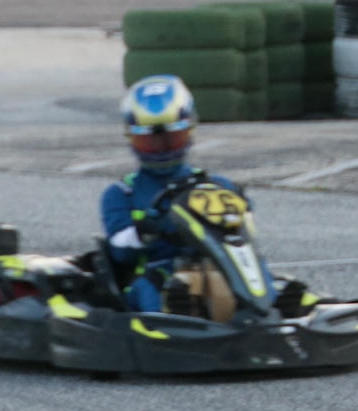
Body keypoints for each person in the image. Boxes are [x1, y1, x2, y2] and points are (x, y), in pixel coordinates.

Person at [103, 76, 250, 313]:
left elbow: (243, 235)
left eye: (171, 139)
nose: (161, 149)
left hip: (217, 270)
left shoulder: (215, 186)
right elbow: (119, 250)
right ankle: (166, 327)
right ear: (132, 138)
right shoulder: (122, 193)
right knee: (160, 290)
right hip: (155, 273)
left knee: (258, 282)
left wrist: (240, 208)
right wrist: (148, 228)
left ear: (189, 131)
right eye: (151, 141)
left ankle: (275, 310)